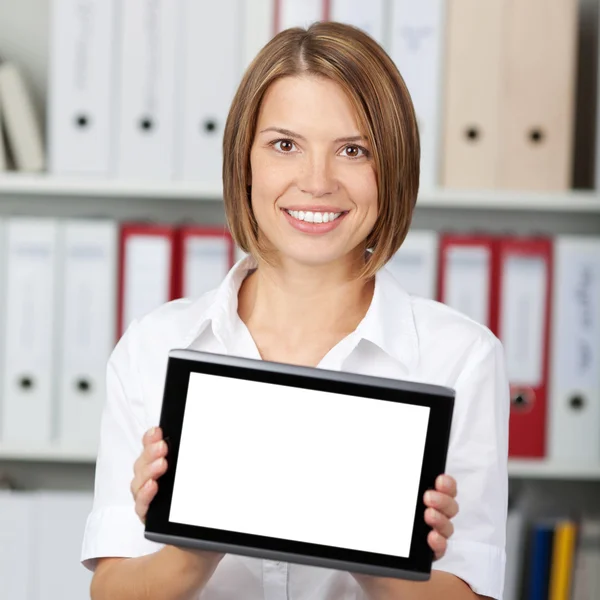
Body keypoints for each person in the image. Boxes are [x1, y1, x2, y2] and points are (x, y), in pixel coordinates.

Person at [82, 21, 509, 600]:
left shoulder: (459, 357)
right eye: (285, 145)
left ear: (395, 169)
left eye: (354, 150)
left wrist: (377, 542)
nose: (316, 181)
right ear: (246, 160)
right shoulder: (154, 346)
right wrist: (192, 539)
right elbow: (111, 591)